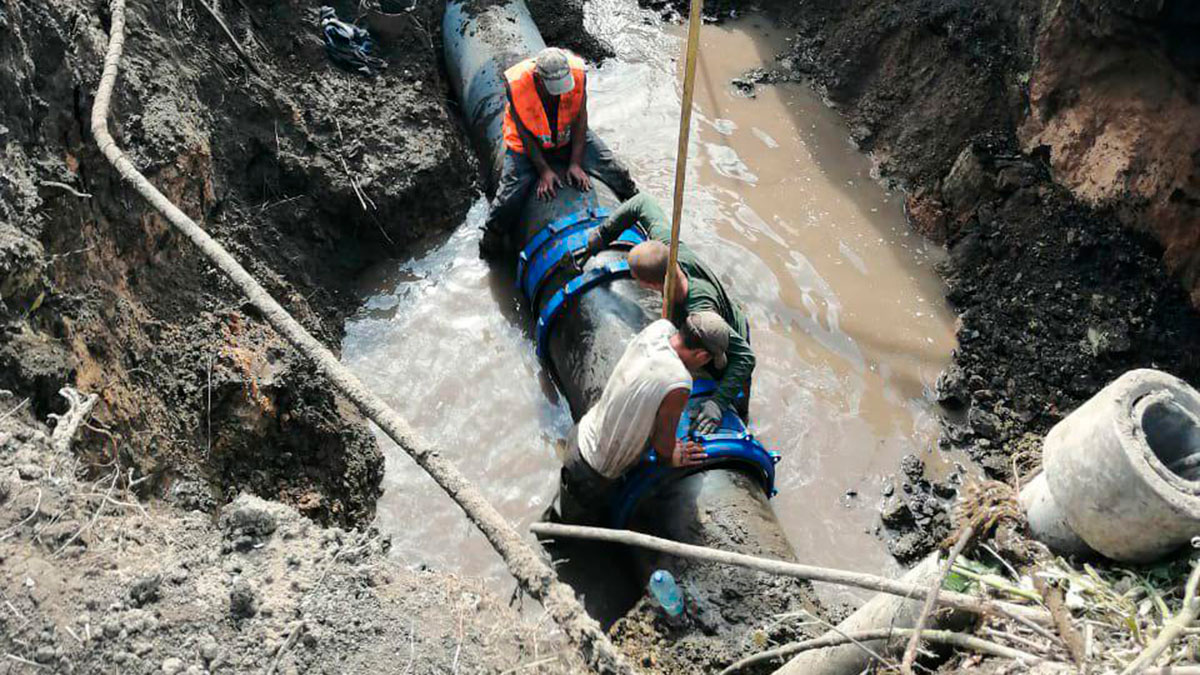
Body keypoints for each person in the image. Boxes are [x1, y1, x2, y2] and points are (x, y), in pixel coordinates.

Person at [566, 192, 755, 433]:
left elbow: (745, 358)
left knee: (730, 390)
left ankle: (739, 419)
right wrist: (603, 234)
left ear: (653, 286)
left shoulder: (699, 314)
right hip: (714, 317)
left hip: (725, 338)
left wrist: (717, 403)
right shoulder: (668, 247)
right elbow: (641, 203)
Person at [558, 312, 732, 523]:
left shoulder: (658, 329)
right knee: (570, 537)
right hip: (593, 471)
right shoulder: (679, 382)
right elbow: (662, 448)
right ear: (703, 356)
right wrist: (674, 456)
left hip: (582, 434)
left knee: (560, 512)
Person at [479, 47, 638, 258]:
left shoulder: (578, 73)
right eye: (554, 88)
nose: (561, 92)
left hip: (568, 137)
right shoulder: (517, 84)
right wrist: (544, 170)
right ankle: (490, 249)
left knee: (617, 173)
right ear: (538, 79)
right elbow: (524, 133)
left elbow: (581, 119)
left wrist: (575, 163)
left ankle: (639, 218)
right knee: (507, 201)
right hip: (527, 147)